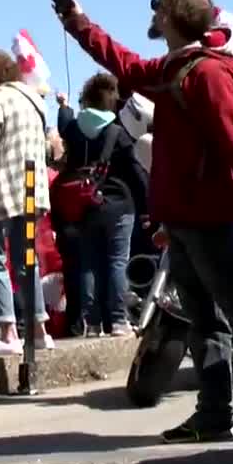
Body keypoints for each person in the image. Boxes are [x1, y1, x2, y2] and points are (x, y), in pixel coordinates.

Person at [58, 0, 233, 443]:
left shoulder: (207, 75)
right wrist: (78, 22)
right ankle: (214, 414)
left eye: (159, 5)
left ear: (173, 19)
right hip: (184, 219)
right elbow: (124, 63)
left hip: (212, 216)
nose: (153, 12)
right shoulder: (176, 68)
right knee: (203, 320)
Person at [59, 73, 149, 337]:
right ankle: (119, 321)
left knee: (88, 263)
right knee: (117, 261)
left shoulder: (74, 130)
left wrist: (64, 107)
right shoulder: (117, 133)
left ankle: (93, 322)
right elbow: (136, 172)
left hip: (84, 205)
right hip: (119, 205)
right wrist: (148, 207)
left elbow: (64, 125)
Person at [0, 50, 53, 356]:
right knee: (27, 260)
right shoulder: (35, 101)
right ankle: (38, 331)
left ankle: (8, 331)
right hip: (32, 190)